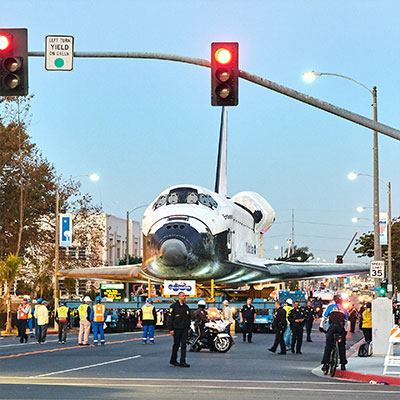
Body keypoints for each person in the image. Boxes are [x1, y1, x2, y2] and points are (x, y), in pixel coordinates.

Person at [320, 294, 348, 373]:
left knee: (328, 345)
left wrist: (321, 327)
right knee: (342, 346)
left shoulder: (330, 307)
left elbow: (324, 318)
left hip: (332, 328)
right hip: (340, 328)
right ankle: (343, 364)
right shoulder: (344, 309)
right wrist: (345, 331)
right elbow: (346, 322)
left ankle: (325, 363)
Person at [167, 291, 191, 368]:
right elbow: (170, 318)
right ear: (179, 297)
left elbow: (188, 318)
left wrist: (188, 327)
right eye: (182, 296)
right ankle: (173, 360)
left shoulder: (186, 307)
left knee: (184, 345)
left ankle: (182, 361)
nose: (184, 297)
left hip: (184, 329)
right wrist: (171, 329)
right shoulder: (174, 306)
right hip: (176, 329)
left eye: (184, 296)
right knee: (176, 345)